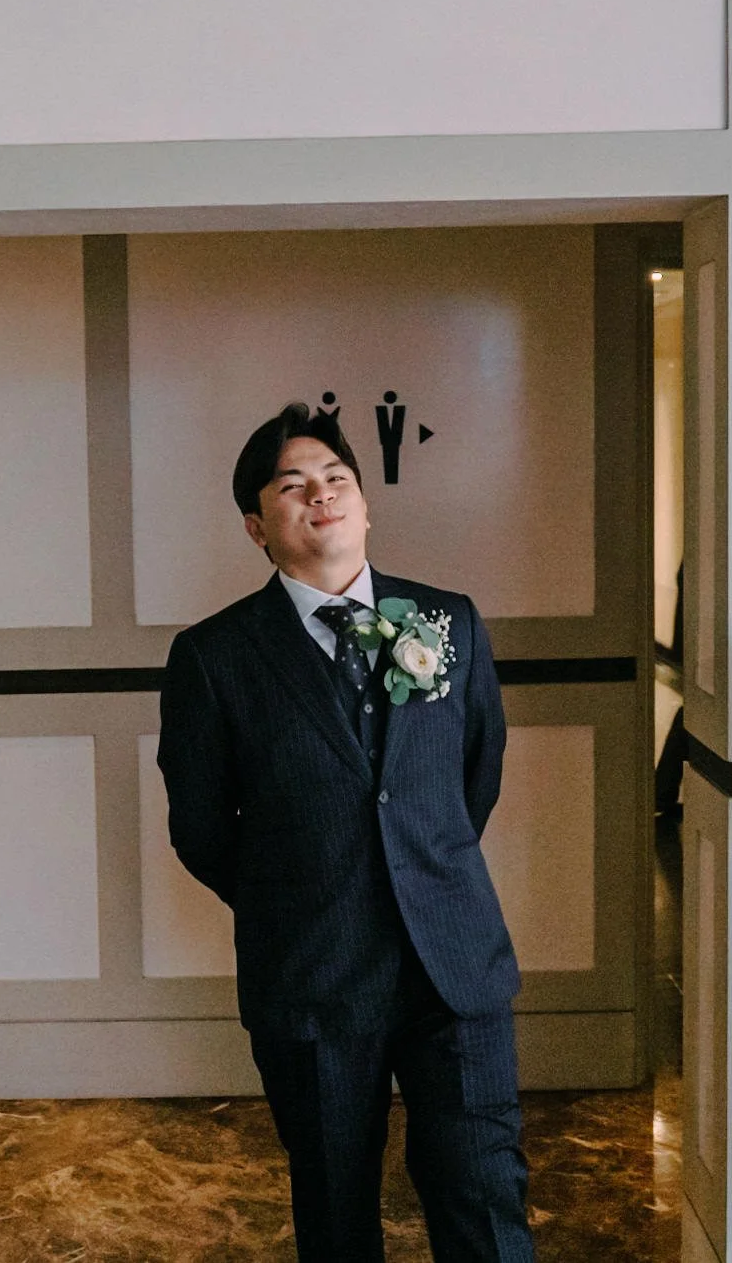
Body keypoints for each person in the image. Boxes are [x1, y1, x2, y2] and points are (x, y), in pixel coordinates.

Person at [158, 402, 534, 1262]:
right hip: (312, 968)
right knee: (334, 1206)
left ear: (364, 504)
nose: (320, 495)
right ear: (257, 525)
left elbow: (475, 774)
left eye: (336, 478)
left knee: (484, 1189)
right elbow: (201, 826)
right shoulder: (213, 655)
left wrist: (418, 866)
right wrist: (296, 892)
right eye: (292, 485)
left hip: (454, 959)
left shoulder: (448, 622)